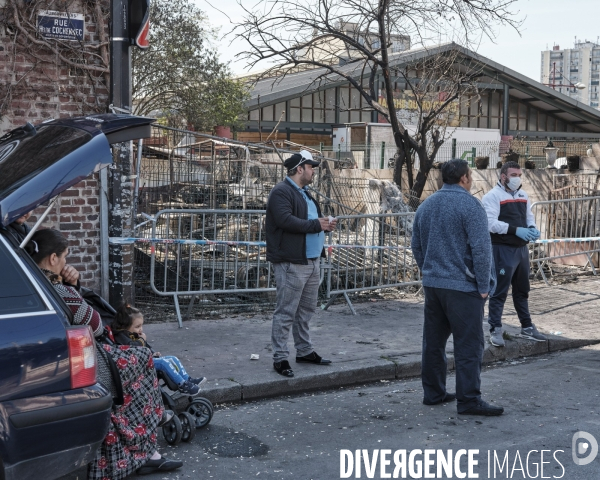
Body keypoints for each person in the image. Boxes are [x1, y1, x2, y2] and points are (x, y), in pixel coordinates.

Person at [24, 228, 183, 478]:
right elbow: (96, 325)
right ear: (53, 259)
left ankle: (146, 434)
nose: (67, 262)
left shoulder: (36, 282)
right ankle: (153, 420)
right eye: (65, 257)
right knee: (142, 358)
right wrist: (73, 287)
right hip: (87, 359)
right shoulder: (62, 291)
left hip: (73, 356)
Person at [411, 159, 503, 416]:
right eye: (470, 174)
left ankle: (433, 393)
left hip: (434, 285)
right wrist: (484, 286)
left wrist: (428, 270)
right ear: (463, 178)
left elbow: (416, 244)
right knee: (469, 345)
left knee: (433, 342)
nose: (471, 178)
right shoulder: (470, 204)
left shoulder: (426, 205)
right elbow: (482, 250)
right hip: (463, 287)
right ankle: (469, 400)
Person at [265, 150, 337, 377]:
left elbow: (309, 221)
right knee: (286, 311)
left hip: (311, 260)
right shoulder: (281, 192)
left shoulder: (304, 192)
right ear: (300, 169)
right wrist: (318, 225)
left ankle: (304, 350)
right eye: (311, 167)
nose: (313, 171)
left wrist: (324, 224)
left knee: (306, 310)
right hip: (292, 262)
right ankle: (280, 357)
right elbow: (286, 220)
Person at [481, 161, 546, 347]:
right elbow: (490, 223)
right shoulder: (492, 197)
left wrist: (532, 228)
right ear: (503, 176)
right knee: (499, 290)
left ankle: (527, 327)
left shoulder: (523, 195)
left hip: (521, 249)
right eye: (514, 175)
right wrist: (515, 230)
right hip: (502, 249)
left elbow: (529, 217)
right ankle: (495, 329)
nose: (517, 178)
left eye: (519, 175)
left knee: (522, 290)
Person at [111, 303, 206, 395]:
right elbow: (133, 348)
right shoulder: (122, 335)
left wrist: (153, 353)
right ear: (124, 326)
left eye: (141, 325)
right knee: (162, 363)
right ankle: (182, 384)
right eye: (137, 326)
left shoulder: (133, 334)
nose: (141, 329)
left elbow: (145, 347)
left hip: (142, 360)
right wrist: (142, 340)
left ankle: (187, 379)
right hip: (134, 364)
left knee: (172, 358)